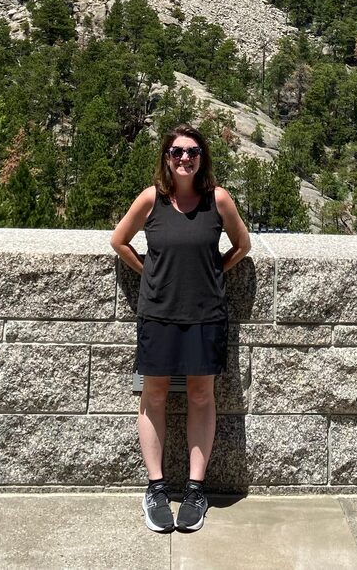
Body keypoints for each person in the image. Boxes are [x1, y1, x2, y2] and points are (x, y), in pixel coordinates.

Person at [111, 124, 251, 533]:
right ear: (166, 158)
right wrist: (149, 271)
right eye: (176, 152)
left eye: (192, 151)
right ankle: (156, 488)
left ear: (202, 157)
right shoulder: (151, 199)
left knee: (200, 396)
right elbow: (119, 240)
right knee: (153, 394)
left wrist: (214, 270)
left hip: (206, 314)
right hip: (158, 313)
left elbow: (242, 246)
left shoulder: (218, 200)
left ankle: (194, 490)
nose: (184, 158)